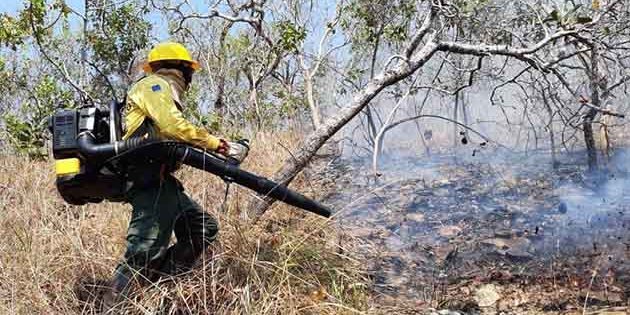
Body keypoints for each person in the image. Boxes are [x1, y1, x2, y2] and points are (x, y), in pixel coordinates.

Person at [103, 42, 246, 309]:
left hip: (164, 183)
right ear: (181, 69)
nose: (190, 78)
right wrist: (217, 144)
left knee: (202, 229)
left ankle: (159, 292)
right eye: (188, 70)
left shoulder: (162, 91)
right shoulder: (153, 85)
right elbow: (171, 127)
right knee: (143, 252)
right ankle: (113, 307)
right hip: (148, 182)